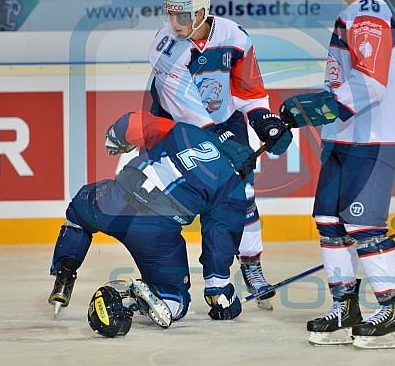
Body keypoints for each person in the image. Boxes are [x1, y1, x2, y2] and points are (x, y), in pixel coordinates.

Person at [279, 0, 395, 349]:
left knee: (364, 226)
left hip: (373, 139)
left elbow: (370, 84)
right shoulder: (353, 13)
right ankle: (346, 306)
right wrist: (314, 113)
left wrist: (310, 111)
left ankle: (393, 310)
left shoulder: (368, 10)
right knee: (329, 222)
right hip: (346, 138)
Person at [146, 0, 293, 310]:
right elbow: (187, 109)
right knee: (166, 204)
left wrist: (263, 120)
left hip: (226, 122)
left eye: (182, 16)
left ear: (201, 13)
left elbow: (249, 90)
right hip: (177, 128)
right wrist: (222, 140)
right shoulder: (165, 47)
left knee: (242, 199)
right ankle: (163, 280)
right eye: (170, 15)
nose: (174, 23)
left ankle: (251, 267)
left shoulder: (235, 36)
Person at [48, 110, 257, 333]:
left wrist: (116, 138)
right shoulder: (232, 185)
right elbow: (219, 244)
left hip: (113, 201)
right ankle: (128, 301)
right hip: (154, 232)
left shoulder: (187, 132)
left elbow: (137, 122)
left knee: (79, 210)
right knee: (174, 304)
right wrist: (221, 295)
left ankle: (65, 272)